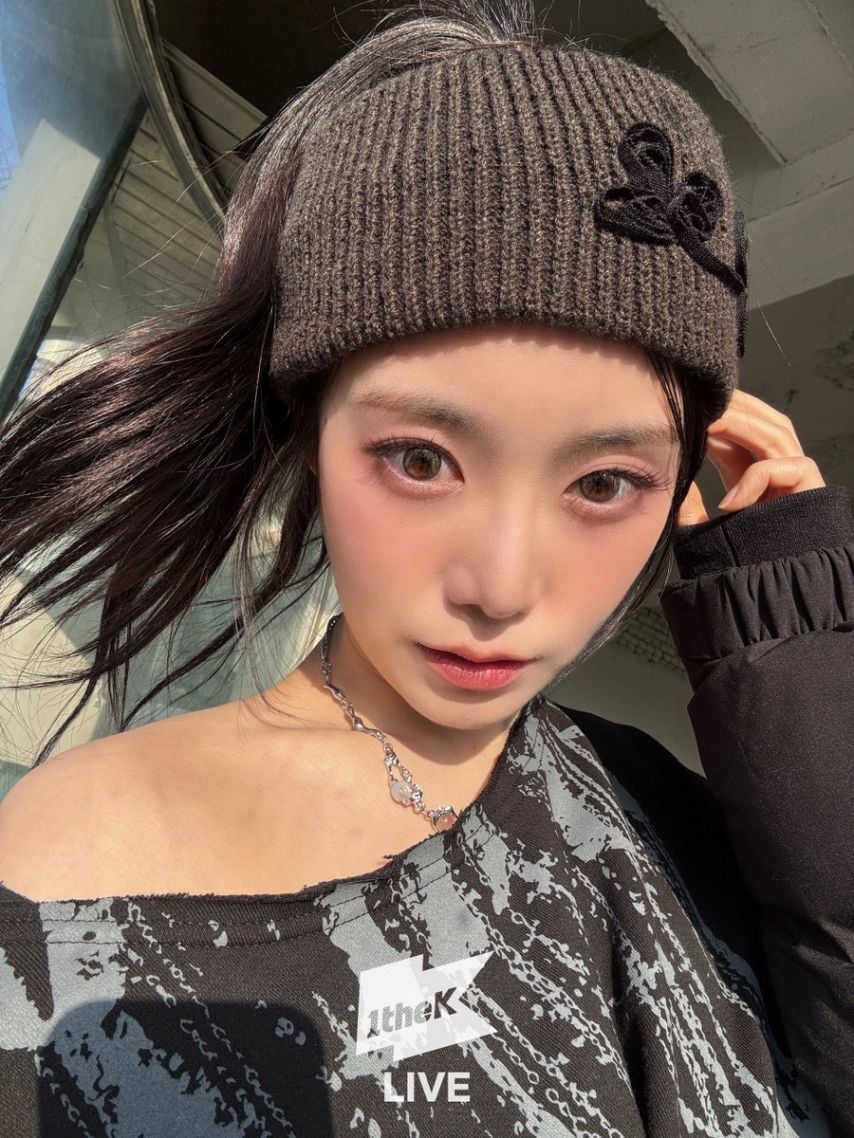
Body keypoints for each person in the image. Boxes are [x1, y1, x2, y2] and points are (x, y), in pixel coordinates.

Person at [0, 2, 851, 1136]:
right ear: (312, 432)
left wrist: (791, 627)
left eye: (605, 482)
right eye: (419, 459)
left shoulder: (657, 799)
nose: (501, 588)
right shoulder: (82, 863)